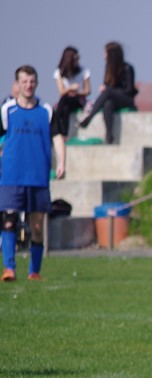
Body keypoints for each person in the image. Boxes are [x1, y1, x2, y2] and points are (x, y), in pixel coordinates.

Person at [1, 66, 66, 282]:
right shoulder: (7, 110)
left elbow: (57, 137)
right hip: (11, 176)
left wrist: (61, 163)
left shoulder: (46, 111)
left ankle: (34, 272)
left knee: (36, 226)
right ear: (17, 84)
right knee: (9, 220)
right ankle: (9, 269)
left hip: (38, 176)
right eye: (24, 81)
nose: (28, 85)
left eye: (32, 81)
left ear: (36, 83)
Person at [78, 41, 138, 144]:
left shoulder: (128, 68)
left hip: (127, 99)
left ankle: (90, 117)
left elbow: (129, 90)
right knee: (108, 104)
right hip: (112, 99)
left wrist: (109, 90)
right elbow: (107, 87)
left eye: (105, 53)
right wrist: (106, 88)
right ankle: (109, 136)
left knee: (108, 92)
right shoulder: (108, 69)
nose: (104, 56)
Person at [51, 46, 91, 139]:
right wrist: (70, 88)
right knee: (65, 106)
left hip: (79, 100)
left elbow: (88, 91)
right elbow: (61, 91)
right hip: (65, 100)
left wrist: (77, 92)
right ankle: (63, 134)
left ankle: (59, 130)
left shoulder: (84, 71)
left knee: (66, 100)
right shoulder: (59, 72)